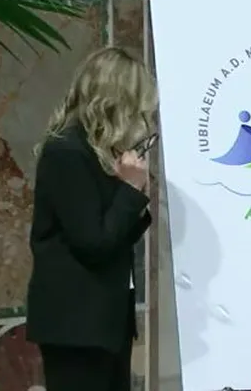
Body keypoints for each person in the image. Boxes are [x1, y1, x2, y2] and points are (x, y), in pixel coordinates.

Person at [25, 47, 158, 391]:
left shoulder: (97, 150)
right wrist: (130, 190)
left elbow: (114, 235)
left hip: (106, 323)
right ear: (117, 103)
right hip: (77, 326)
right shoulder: (66, 151)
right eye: (138, 108)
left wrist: (136, 196)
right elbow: (93, 243)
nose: (143, 120)